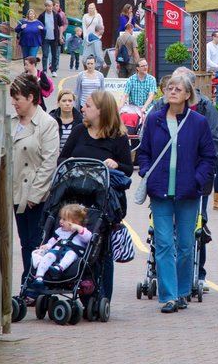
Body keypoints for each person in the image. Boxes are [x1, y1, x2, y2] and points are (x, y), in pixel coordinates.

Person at [136, 75, 216, 313]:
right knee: (162, 244)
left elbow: (209, 157)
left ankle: (182, 292)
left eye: (178, 89)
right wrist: (146, 171)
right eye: (169, 88)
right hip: (159, 193)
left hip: (188, 193)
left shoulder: (198, 122)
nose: (172, 91)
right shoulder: (154, 120)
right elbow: (144, 152)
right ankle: (168, 296)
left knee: (185, 244)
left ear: (187, 95)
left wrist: (197, 180)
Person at [58, 90, 134, 300]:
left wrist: (116, 164)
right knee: (72, 244)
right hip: (74, 201)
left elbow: (128, 169)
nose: (83, 108)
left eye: (88, 105)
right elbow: (62, 159)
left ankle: (102, 297)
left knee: (102, 250)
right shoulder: (79, 131)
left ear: (101, 111)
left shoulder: (117, 137)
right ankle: (74, 287)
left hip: (102, 204)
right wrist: (71, 161)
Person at [10, 74, 59, 290]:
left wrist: (34, 195)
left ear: (31, 98)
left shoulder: (47, 124)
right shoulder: (11, 123)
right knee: (24, 242)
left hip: (35, 196)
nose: (13, 102)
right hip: (14, 191)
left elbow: (49, 162)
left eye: (17, 98)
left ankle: (33, 283)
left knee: (36, 242)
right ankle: (30, 281)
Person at [29, 204, 92, 289]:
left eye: (64, 219)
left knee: (70, 254)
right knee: (48, 256)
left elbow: (89, 238)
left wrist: (78, 227)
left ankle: (59, 268)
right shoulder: (59, 231)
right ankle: (39, 276)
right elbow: (52, 241)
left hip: (72, 252)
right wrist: (46, 246)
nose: (61, 221)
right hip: (56, 251)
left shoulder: (80, 233)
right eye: (61, 218)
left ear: (75, 222)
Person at [39, 0, 64, 77]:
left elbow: (61, 26)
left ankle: (53, 70)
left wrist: (60, 36)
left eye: (51, 6)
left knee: (54, 55)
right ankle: (45, 70)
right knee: (45, 55)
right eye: (48, 6)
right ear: (45, 7)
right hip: (45, 38)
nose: (50, 7)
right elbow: (38, 26)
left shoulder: (56, 15)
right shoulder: (42, 16)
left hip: (54, 38)